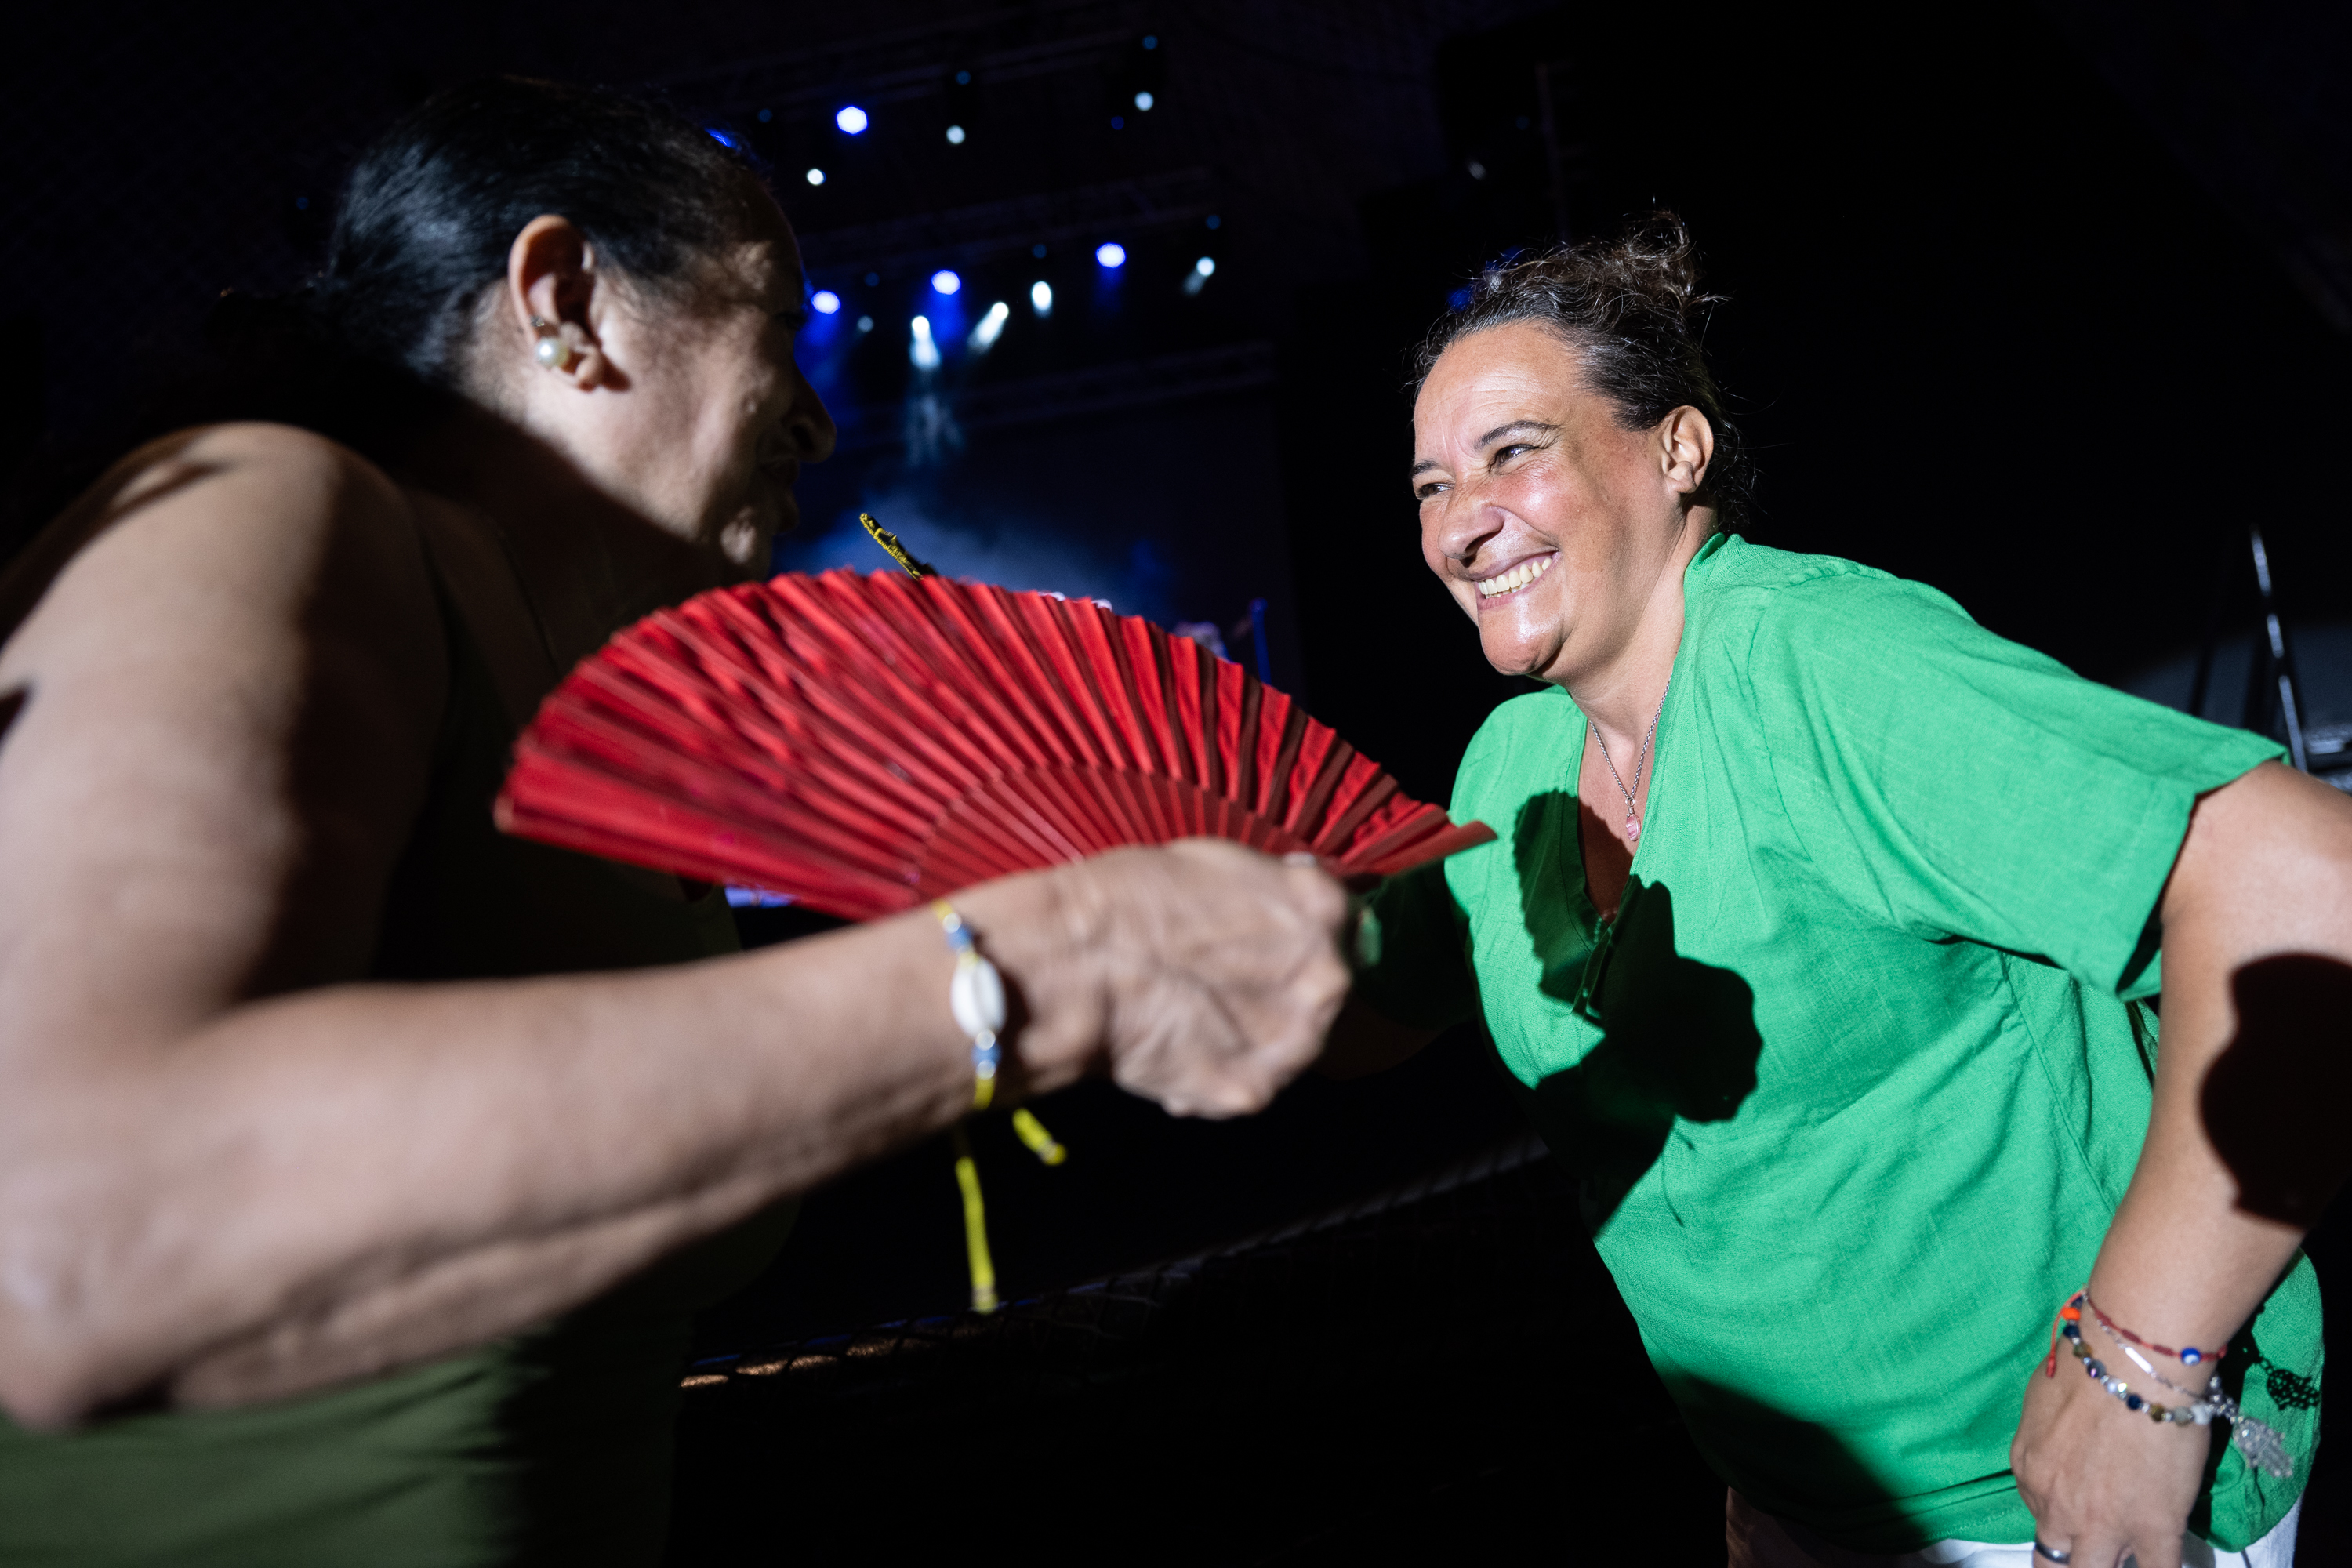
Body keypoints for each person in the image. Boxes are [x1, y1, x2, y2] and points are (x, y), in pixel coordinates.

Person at [0, 78, 1348, 1564]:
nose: (823, 419)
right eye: (782, 327)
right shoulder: (287, 508)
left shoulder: (592, 717)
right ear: (564, 298)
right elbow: (78, 1227)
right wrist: (1051, 962)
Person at [1337, 216, 2347, 1568]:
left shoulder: (1817, 670)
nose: (1462, 523)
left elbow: (2310, 891)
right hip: (1819, 1519)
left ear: (1677, 449)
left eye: (1512, 452)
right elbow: (1360, 1011)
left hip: (2064, 1508)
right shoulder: (1509, 763)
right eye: (1426, 486)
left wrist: (2142, 1370)